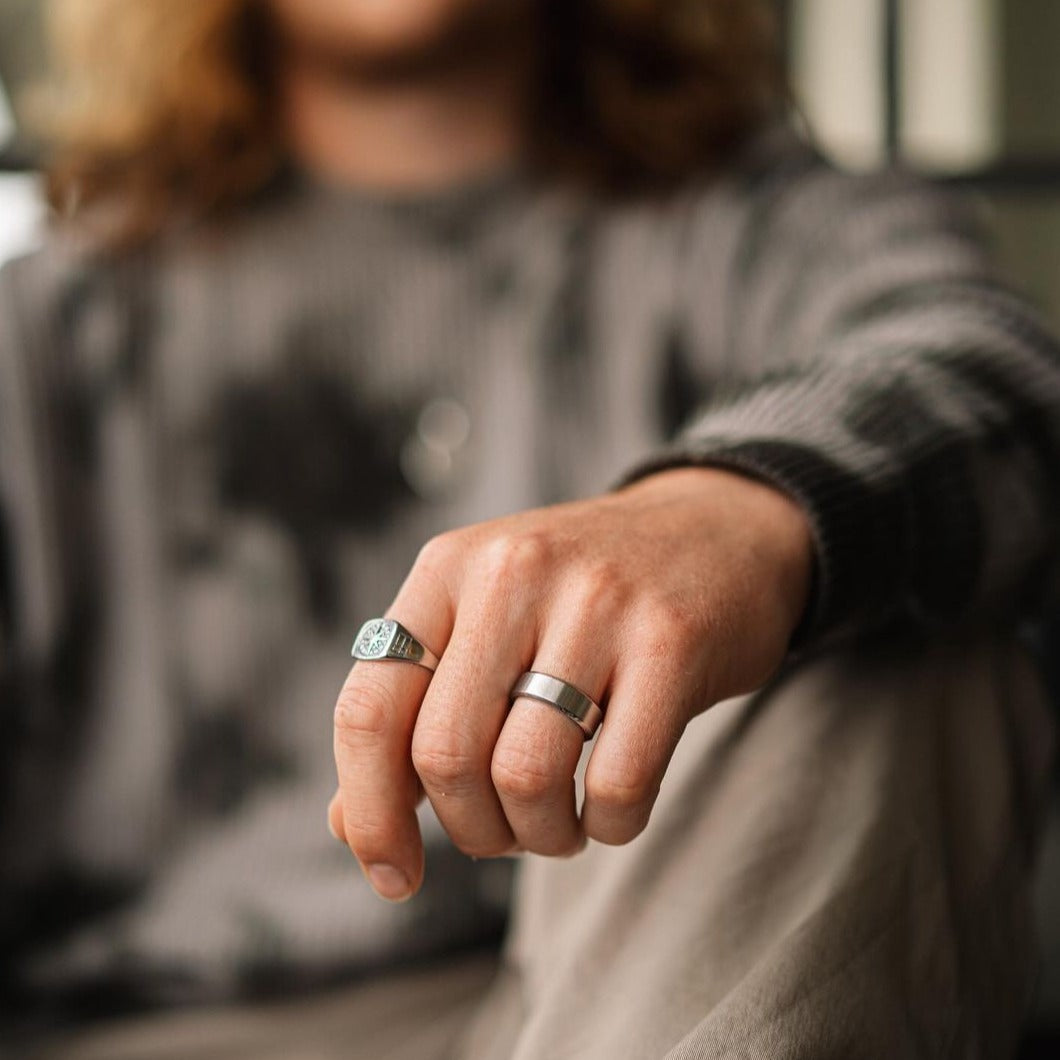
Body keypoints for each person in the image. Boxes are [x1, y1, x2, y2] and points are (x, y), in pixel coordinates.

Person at [1, 0, 1058, 1056]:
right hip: (160, 1024)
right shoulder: (51, 334)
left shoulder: (761, 229)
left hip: (655, 979)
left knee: (885, 615)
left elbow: (994, 370)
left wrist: (745, 507)